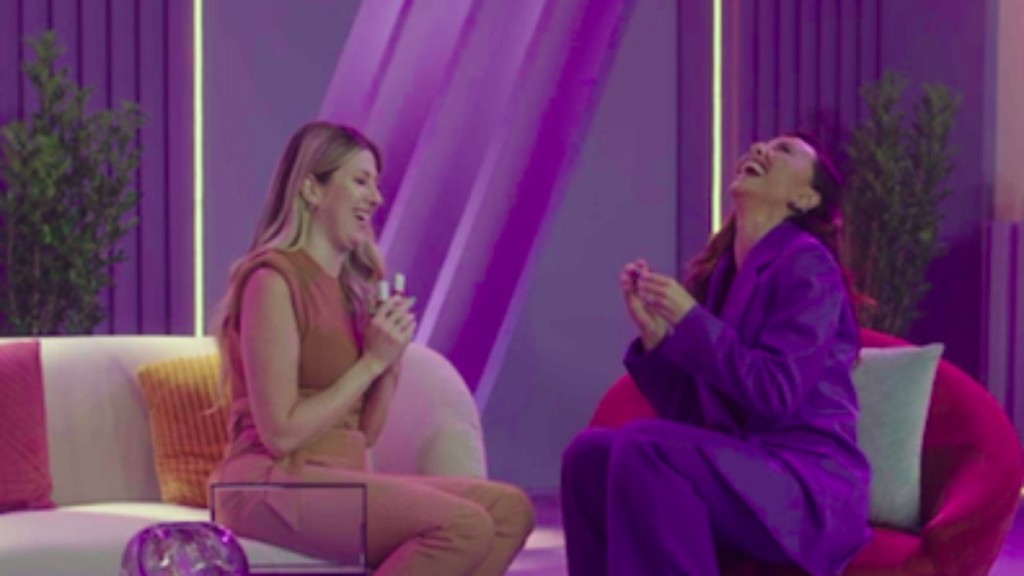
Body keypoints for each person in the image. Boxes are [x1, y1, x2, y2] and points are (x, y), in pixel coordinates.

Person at [208, 121, 535, 575]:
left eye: (375, 185)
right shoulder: (272, 280)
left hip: (338, 476)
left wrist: (390, 360)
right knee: (462, 526)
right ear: (312, 189)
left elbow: (365, 433)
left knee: (509, 511)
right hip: (269, 482)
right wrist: (370, 363)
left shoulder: (352, 291)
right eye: (360, 181)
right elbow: (280, 434)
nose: (376, 198)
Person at [561, 133, 872, 575]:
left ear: (805, 198)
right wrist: (658, 337)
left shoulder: (809, 265)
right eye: (762, 144)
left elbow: (776, 391)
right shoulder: (725, 275)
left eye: (783, 150)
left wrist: (691, 320)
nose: (760, 149)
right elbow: (700, 418)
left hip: (805, 484)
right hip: (747, 468)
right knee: (589, 455)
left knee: (646, 447)